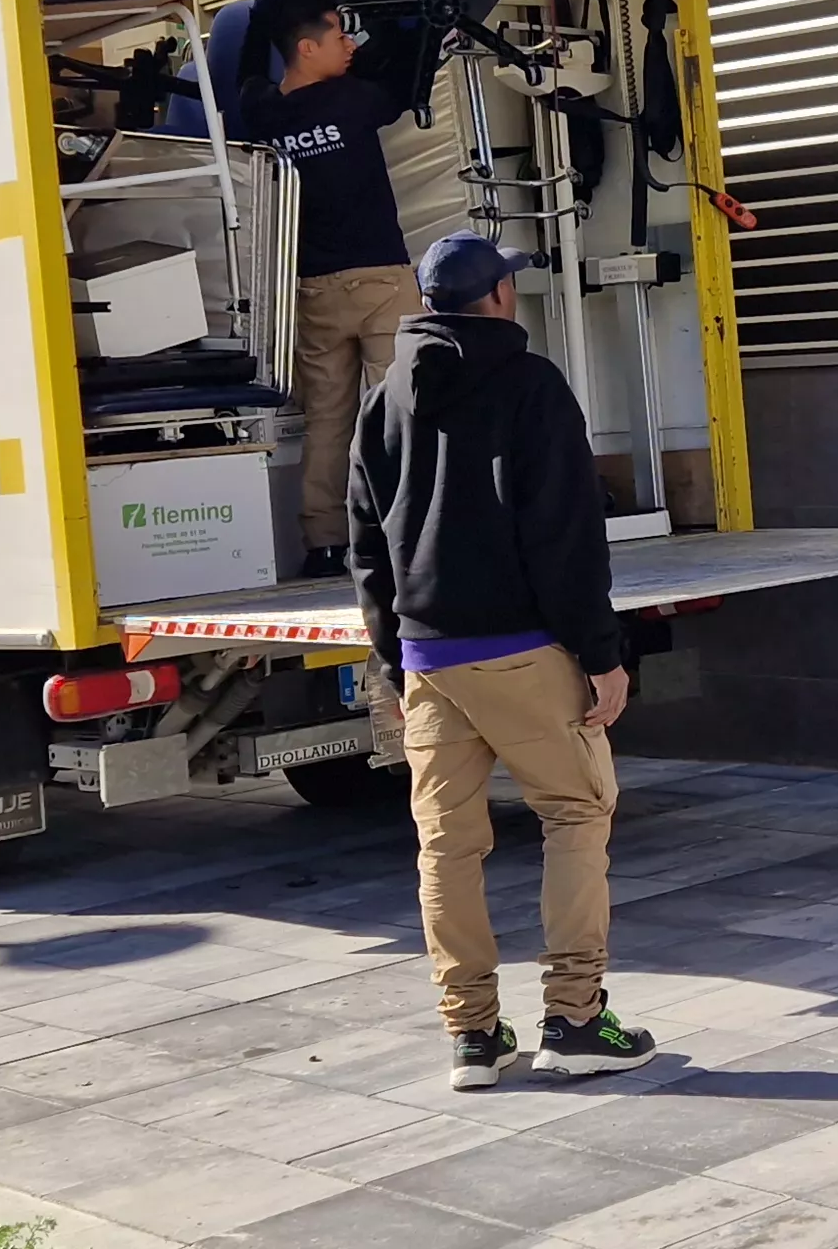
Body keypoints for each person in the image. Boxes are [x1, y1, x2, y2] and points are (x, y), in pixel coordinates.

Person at [351, 231, 656, 1089]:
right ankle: (574, 1019)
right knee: (575, 812)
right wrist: (603, 655)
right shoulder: (531, 385)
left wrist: (394, 650)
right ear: (494, 297)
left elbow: (363, 540)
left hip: (429, 658)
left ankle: (473, 1039)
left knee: (446, 848)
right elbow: (565, 534)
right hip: (524, 650)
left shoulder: (385, 400)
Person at [241, 0, 419, 576]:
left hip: (312, 290)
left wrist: (263, 9)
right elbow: (403, 76)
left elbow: (248, 74)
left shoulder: (263, 113)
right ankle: (409, 532)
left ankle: (323, 541)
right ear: (306, 47)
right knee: (401, 407)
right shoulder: (353, 99)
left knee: (327, 417)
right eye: (339, 33)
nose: (350, 43)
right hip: (380, 281)